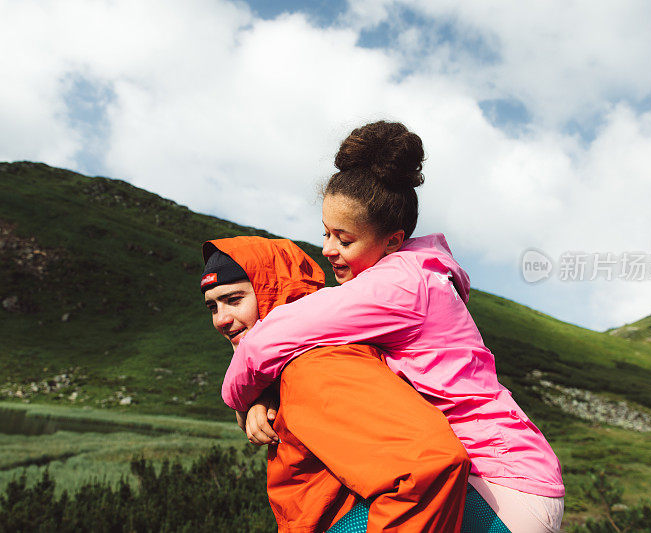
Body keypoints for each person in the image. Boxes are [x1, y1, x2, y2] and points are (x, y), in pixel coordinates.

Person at [223, 121, 565, 532]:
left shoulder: (397, 285)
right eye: (325, 233)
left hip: (497, 484)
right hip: (512, 475)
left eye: (344, 240)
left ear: (392, 240)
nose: (328, 249)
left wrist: (240, 400)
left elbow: (270, 340)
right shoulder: (418, 275)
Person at [201, 235, 471, 532]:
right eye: (212, 307)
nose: (221, 319)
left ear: (274, 292)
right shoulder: (296, 369)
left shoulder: (314, 367)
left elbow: (430, 465)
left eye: (234, 300)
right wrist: (260, 396)